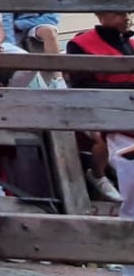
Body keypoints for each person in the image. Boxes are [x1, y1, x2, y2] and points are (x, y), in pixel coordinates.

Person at [67, 11, 133, 203]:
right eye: (118, 14)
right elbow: (81, 85)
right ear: (101, 16)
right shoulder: (80, 43)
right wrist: (126, 88)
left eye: (127, 13)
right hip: (98, 107)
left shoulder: (130, 43)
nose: (126, 17)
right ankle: (97, 174)